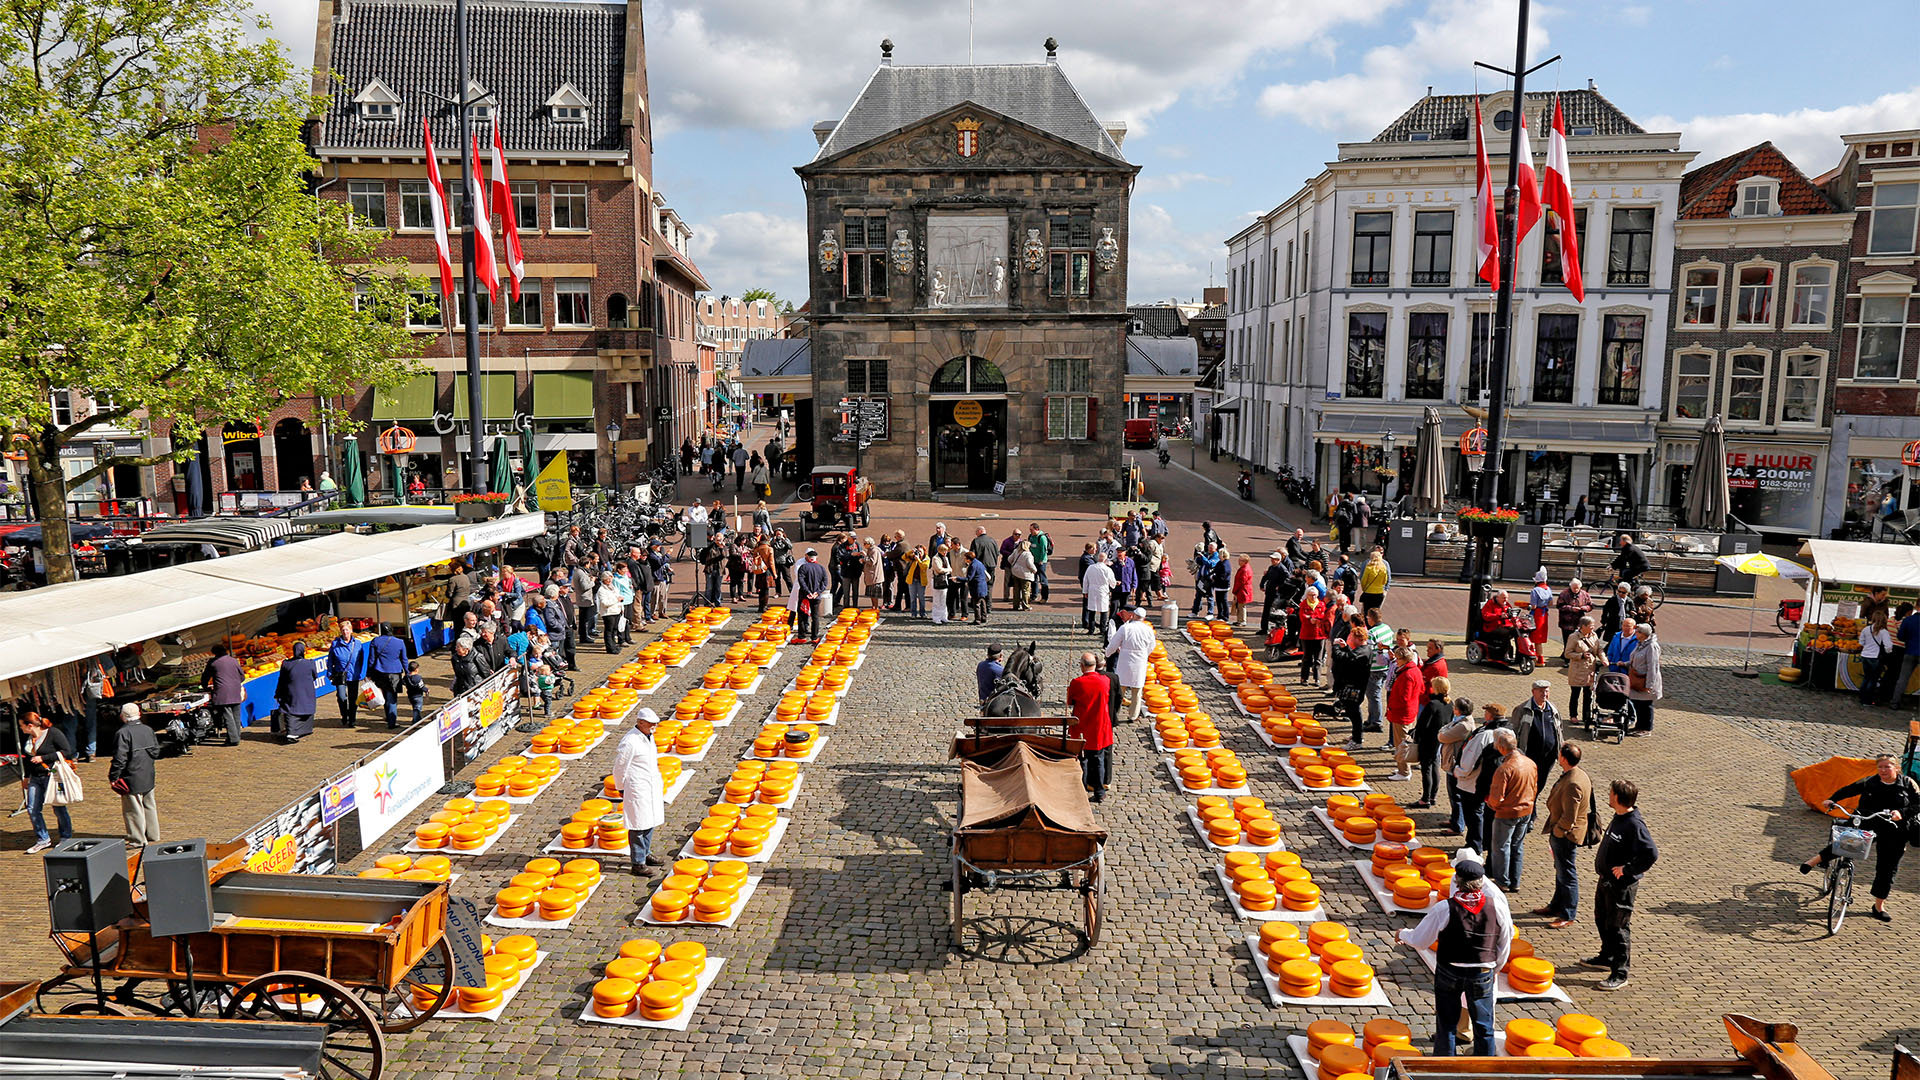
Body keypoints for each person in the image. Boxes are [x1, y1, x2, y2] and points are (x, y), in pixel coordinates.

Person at [1403, 855, 1512, 1057]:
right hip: (1482, 971)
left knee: (1447, 1023)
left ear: (1456, 881)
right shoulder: (1496, 906)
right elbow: (1505, 941)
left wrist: (1402, 934)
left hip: (1449, 971)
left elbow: (1420, 940)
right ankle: (1485, 1069)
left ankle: (1445, 1067)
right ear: (1482, 882)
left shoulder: (1444, 908)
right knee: (1484, 1025)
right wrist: (1495, 968)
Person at [1799, 755, 1919, 922]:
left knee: (1887, 868)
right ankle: (1814, 861)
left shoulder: (1907, 784)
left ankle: (1879, 906)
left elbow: (1918, 804)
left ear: (1896, 768)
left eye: (1887, 767)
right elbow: (1849, 789)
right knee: (1846, 844)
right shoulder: (1870, 782)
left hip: (1895, 830)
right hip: (1868, 822)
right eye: (1880, 767)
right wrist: (1832, 799)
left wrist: (1902, 813)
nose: (1883, 771)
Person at [1589, 779, 1657, 990]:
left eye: (1610, 793)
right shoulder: (1619, 817)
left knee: (1618, 928)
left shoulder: (1634, 824)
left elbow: (1651, 853)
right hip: (1606, 882)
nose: (1608, 795)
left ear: (1618, 798)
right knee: (1602, 919)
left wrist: (1627, 870)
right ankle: (1606, 956)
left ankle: (1619, 973)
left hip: (1621, 888)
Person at [1538, 743, 1593, 929]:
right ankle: (1556, 906)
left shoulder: (1574, 783)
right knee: (1561, 870)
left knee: (1567, 874)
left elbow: (1569, 816)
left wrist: (1558, 831)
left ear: (1563, 758)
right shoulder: (1576, 775)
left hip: (1566, 836)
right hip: (1562, 833)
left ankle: (1568, 914)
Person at [611, 710, 667, 877]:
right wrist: (621, 787)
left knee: (649, 821)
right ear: (640, 723)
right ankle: (637, 863)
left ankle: (646, 853)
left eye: (655, 724)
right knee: (637, 826)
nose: (654, 727)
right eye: (650, 724)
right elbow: (619, 767)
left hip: (650, 785)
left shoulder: (648, 737)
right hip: (636, 787)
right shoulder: (630, 742)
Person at [1484, 729, 1538, 891]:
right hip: (1526, 810)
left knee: (1501, 847)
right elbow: (1534, 787)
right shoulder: (1530, 763)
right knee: (1517, 846)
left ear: (1501, 748)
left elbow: (1496, 797)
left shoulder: (1504, 769)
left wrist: (1492, 805)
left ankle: (1502, 881)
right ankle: (1515, 881)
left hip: (1507, 813)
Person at [1454, 703, 1509, 854]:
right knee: (1486, 815)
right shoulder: (1509, 733)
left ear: (1489, 716)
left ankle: (1474, 844)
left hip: (1473, 782)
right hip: (1493, 784)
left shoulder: (1484, 735)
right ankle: (1484, 842)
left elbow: (1470, 760)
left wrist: (1458, 771)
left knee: (1473, 814)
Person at [19, 711, 75, 853]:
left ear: (30, 725)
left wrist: (43, 758)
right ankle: (42, 839)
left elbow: (67, 751)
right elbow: (27, 759)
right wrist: (26, 776)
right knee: (32, 808)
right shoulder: (29, 739)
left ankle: (65, 836)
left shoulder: (53, 733)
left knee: (59, 806)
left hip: (54, 775)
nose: (21, 728)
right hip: (35, 777)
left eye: (22, 725)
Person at [109, 703, 162, 848]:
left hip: (131, 775)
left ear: (123, 716)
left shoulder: (123, 733)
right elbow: (156, 751)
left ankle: (137, 839)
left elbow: (120, 758)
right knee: (149, 804)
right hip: (148, 773)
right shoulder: (147, 729)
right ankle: (153, 834)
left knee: (133, 809)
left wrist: (114, 776)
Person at [1067, 653, 1114, 801]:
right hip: (1099, 727)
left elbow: (1070, 701)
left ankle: (1082, 787)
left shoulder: (1077, 682)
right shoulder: (1105, 680)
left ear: (1082, 665)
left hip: (1082, 726)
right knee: (1098, 760)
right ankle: (1099, 792)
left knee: (1082, 759)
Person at [1510, 678, 1563, 794]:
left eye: (1547, 691)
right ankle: (1530, 809)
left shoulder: (1553, 710)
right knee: (1528, 785)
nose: (1544, 694)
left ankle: (1532, 806)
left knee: (1540, 784)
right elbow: (1513, 732)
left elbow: (1559, 730)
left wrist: (1559, 750)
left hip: (1548, 757)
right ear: (1533, 692)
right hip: (1530, 756)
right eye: (1541, 691)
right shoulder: (1522, 710)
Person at [1106, 607, 1158, 721]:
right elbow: (1152, 646)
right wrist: (1145, 654)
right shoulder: (1148, 630)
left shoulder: (1125, 628)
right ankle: (1133, 715)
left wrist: (1107, 653)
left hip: (1125, 660)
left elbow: (1114, 643)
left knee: (1120, 690)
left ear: (1133, 616)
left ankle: (1114, 713)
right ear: (1143, 618)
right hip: (1140, 661)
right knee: (1137, 691)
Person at [1436, 697, 1478, 835]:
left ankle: (1457, 825)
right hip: (1453, 762)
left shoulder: (1463, 725)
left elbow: (1442, 736)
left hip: (1455, 764)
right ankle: (1455, 819)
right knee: (1453, 794)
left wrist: (1444, 730)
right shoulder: (1460, 722)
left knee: (1456, 796)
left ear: (1458, 710)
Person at [1412, 676, 1451, 809]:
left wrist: (1416, 738)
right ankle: (1433, 796)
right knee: (1435, 767)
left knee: (1426, 769)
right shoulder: (1450, 704)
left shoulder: (1432, 704)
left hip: (1428, 741)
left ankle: (1425, 799)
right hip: (1440, 741)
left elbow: (1422, 725)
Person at [202, 643, 246, 746]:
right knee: (236, 715)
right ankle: (236, 736)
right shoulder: (233, 660)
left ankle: (233, 739)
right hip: (235, 691)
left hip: (222, 692)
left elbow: (205, 677)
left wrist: (205, 687)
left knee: (228, 715)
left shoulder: (213, 662)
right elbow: (242, 676)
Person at [275, 643, 320, 743]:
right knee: (305, 708)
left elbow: (281, 679)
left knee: (291, 710)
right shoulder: (310, 663)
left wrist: (278, 693)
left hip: (290, 692)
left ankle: (292, 732)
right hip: (306, 692)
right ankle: (304, 730)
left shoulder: (286, 664)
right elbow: (315, 676)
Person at [367, 623, 409, 730]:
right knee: (392, 699)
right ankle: (392, 721)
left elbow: (371, 659)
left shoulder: (375, 641)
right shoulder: (400, 642)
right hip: (395, 673)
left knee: (384, 695)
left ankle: (388, 717)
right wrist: (408, 673)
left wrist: (369, 673)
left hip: (380, 672)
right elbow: (404, 660)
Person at [326, 621, 368, 728]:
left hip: (354, 675)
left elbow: (361, 659)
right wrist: (330, 671)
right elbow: (330, 659)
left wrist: (361, 673)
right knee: (341, 697)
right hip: (340, 674)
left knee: (353, 698)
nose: (345, 632)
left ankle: (352, 719)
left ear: (351, 631)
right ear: (340, 632)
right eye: (343, 630)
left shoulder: (357, 644)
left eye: (347, 630)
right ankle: (344, 715)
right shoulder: (335, 644)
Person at [1624, 623, 1661, 734]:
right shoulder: (1640, 644)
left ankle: (1646, 728)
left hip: (1645, 680)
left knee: (1646, 705)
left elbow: (1652, 667)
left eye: (1638, 632)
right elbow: (1635, 659)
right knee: (1638, 704)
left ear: (1644, 634)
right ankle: (1639, 726)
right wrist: (1625, 664)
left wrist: (1649, 685)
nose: (1635, 633)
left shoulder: (1651, 646)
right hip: (1637, 680)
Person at [1564, 617, 1602, 727]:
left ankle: (1586, 716)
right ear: (1583, 627)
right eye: (1591, 626)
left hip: (1590, 670)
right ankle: (1573, 715)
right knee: (1575, 694)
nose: (1593, 628)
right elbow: (1567, 653)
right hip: (1577, 671)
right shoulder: (1573, 637)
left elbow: (1598, 649)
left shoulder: (1594, 635)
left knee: (1588, 695)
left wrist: (1603, 658)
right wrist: (1581, 655)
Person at [1859, 609, 1894, 706]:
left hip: (1865, 655)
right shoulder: (1883, 632)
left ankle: (1862, 697)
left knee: (1866, 677)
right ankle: (1867, 700)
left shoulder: (1866, 629)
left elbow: (1861, 642)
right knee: (1873, 679)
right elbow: (1888, 646)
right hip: (1875, 657)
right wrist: (1888, 652)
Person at [793, 548, 830, 643]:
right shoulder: (821, 568)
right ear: (815, 558)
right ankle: (814, 637)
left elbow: (801, 581)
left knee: (802, 615)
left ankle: (802, 636)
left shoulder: (803, 567)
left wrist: (808, 592)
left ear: (808, 558)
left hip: (805, 595)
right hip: (816, 596)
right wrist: (817, 592)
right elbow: (825, 582)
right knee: (815, 616)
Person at [1297, 590, 1331, 686]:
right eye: (1311, 595)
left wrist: (1313, 618)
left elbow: (1324, 616)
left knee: (1318, 658)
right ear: (1307, 595)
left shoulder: (1321, 604)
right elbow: (1302, 617)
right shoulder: (1303, 605)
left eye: (1315, 595)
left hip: (1320, 635)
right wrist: (1310, 618)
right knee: (1307, 658)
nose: (1313, 597)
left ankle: (1317, 678)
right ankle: (1304, 678)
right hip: (1307, 635)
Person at [1082, 553, 1116, 644]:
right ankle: (1102, 629)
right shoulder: (1107, 569)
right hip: (1103, 590)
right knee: (1103, 610)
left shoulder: (1091, 568)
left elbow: (1086, 580)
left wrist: (1085, 591)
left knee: (1092, 610)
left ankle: (1091, 629)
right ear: (1105, 560)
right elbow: (1112, 582)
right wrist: (1114, 584)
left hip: (1092, 590)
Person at [1555, 577, 1593, 656]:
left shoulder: (1585, 594)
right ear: (1570, 587)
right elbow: (1559, 606)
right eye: (1574, 588)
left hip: (1579, 622)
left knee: (1577, 641)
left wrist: (1585, 608)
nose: (1576, 590)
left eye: (1577, 588)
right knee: (1567, 640)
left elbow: (1590, 605)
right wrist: (1571, 608)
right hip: (1566, 622)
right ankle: (1567, 657)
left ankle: (1573, 656)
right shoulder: (1564, 594)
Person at [1007, 540, 1037, 611]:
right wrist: (1034, 570)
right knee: (1025, 590)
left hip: (1015, 573)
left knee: (1016, 590)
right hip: (1025, 574)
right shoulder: (1028, 554)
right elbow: (1030, 564)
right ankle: (1025, 605)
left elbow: (1009, 559)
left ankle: (1016, 605)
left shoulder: (1016, 551)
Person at [1028, 523, 1053, 605]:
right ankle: (1034, 595)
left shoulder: (1041, 538)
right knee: (1033, 579)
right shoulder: (1031, 536)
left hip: (1041, 562)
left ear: (1037, 529)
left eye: (1032, 530)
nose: (1030, 531)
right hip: (1033, 561)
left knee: (1043, 580)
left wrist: (1041, 560)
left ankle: (1044, 597)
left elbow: (1043, 550)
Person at [1528, 569, 1553, 652]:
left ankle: (1535, 657)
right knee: (1540, 637)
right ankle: (1540, 659)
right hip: (1544, 614)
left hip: (1536, 614)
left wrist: (1527, 606)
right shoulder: (1548, 589)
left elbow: (1534, 606)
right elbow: (1550, 603)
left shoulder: (1535, 591)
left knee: (1533, 636)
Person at [965, 549, 992, 625]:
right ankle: (983, 617)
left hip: (977, 587)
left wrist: (957, 578)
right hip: (983, 586)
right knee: (983, 602)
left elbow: (969, 578)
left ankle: (977, 619)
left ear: (968, 559)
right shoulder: (979, 563)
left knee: (976, 604)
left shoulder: (973, 565)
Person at [1359, 548, 1390, 613]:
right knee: (1376, 611)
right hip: (1379, 592)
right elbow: (1385, 580)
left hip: (1369, 592)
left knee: (1367, 611)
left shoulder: (1368, 567)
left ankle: (1367, 622)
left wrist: (1364, 589)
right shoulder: (1384, 568)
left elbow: (1363, 580)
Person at [929, 543, 952, 625]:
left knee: (944, 599)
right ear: (940, 551)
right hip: (937, 580)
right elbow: (939, 569)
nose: (946, 553)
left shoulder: (945, 558)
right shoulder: (935, 558)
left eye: (946, 551)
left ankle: (943, 616)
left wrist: (947, 569)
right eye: (944, 551)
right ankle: (936, 617)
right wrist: (948, 569)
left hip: (944, 580)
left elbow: (949, 569)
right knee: (937, 600)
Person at [1230, 554, 1255, 627]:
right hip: (1243, 590)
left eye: (1240, 560)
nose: (1238, 562)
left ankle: (1242, 621)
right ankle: (1239, 620)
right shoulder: (1245, 568)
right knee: (1240, 606)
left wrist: (1235, 591)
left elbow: (1241, 582)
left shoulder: (1244, 570)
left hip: (1243, 591)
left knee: (1241, 606)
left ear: (1244, 561)